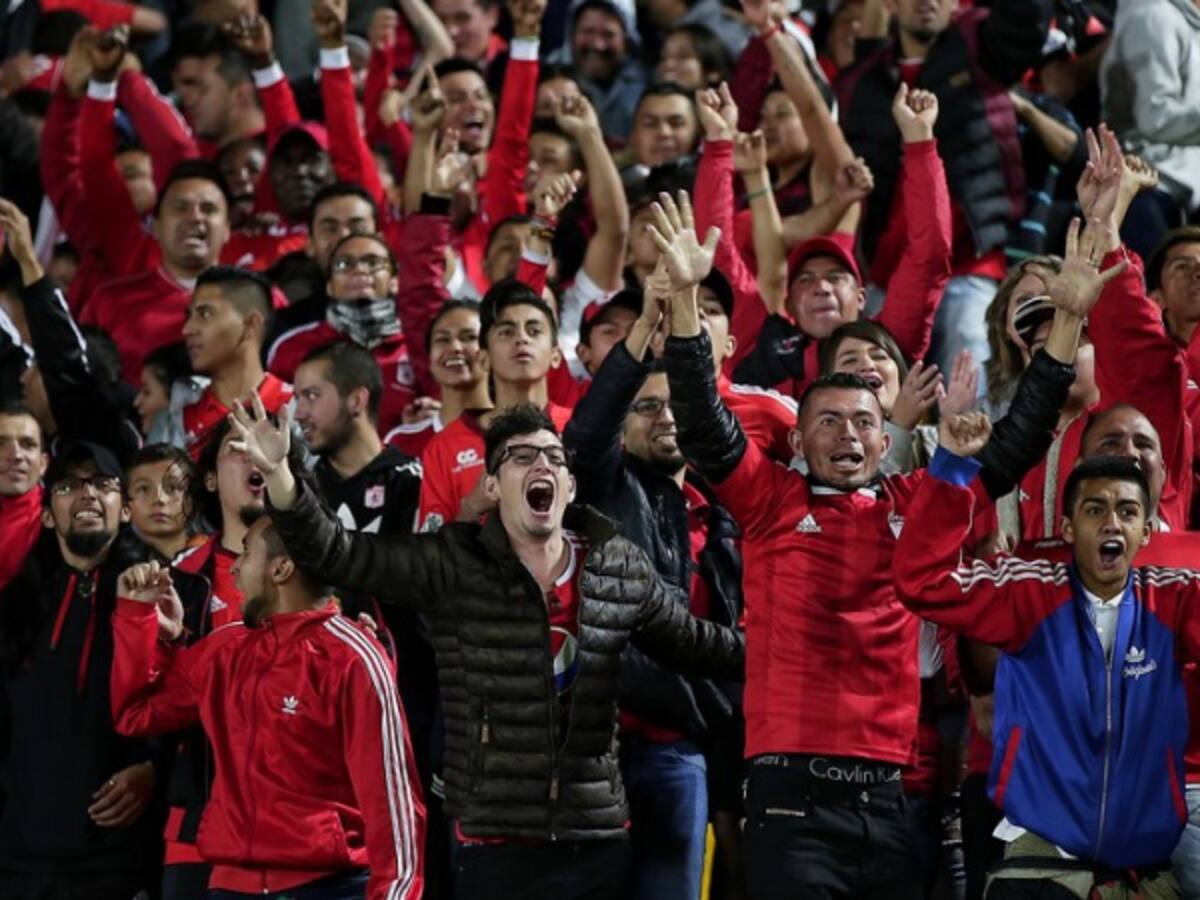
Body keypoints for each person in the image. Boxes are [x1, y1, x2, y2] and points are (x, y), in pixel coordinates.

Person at [655, 189, 1113, 899]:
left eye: (864, 422)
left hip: (892, 801)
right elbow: (705, 422)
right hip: (790, 798)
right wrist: (685, 303)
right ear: (799, 438)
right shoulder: (770, 501)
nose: (848, 434)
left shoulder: (919, 499)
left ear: (887, 433)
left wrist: (1069, 324)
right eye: (828, 422)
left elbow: (1017, 440)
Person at [230, 395, 744, 900]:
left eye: (554, 458)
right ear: (494, 486)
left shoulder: (616, 565)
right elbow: (336, 552)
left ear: (569, 485)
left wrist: (797, 649)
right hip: (493, 844)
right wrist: (281, 476)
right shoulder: (453, 563)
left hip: (597, 840)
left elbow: (696, 645)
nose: (541, 463)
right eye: (521, 457)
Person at [893, 449, 1193, 899]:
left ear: (1145, 531)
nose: (1112, 522)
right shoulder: (1028, 591)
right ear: (1069, 527)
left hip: (1144, 877)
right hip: (1039, 868)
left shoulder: (1176, 601)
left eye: (1127, 511)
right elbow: (922, 580)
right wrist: (953, 468)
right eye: (1095, 509)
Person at [110, 518, 425, 900]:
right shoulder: (224, 650)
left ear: (281, 568)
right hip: (230, 887)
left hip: (329, 887)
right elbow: (136, 713)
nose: (237, 567)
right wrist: (139, 619)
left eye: (246, 552)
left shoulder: (353, 658)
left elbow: (393, 808)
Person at [563, 280, 744, 900]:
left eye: (674, 405)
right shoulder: (604, 486)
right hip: (598, 753)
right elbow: (585, 435)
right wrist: (642, 331)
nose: (665, 415)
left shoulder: (722, 517)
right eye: (646, 406)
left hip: (681, 754)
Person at [0, 441, 195, 900]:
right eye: (68, 485)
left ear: (124, 510)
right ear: (48, 515)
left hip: (121, 860)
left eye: (102, 484)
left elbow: (192, 700)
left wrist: (154, 766)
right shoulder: (13, 608)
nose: (86, 494)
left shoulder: (164, 595)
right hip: (19, 860)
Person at [833, 0, 1052, 382]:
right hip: (887, 273)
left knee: (973, 367)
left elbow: (1025, 19)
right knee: (865, 382)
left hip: (970, 262)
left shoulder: (981, 48)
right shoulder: (864, 79)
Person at [418, 280, 573, 530]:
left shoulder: (579, 427)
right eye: (506, 332)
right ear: (484, 358)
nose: (521, 339)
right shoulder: (444, 447)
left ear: (556, 355)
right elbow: (431, 551)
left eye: (534, 331)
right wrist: (472, 507)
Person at [80, 159, 232, 386]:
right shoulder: (108, 301)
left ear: (228, 229)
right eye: (181, 208)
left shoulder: (260, 299)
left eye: (208, 209)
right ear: (156, 227)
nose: (195, 217)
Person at [156, 266, 292, 460]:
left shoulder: (296, 411)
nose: (187, 329)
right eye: (189, 316)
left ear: (251, 325)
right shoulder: (175, 418)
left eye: (205, 314)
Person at [1101, 0, 1200, 261]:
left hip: (1184, 196)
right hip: (1148, 190)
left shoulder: (1189, 24)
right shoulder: (1153, 16)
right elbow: (1154, 117)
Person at [295, 340, 422, 536]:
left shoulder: (411, 483)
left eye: (312, 396)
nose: (298, 414)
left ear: (356, 401)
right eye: (298, 399)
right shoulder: (301, 487)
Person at [384, 299, 492, 459]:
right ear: (430, 361)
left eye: (469, 337)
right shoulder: (400, 443)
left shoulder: (518, 434)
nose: (455, 347)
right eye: (443, 340)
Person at [549, 0, 647, 140]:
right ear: (571, 34)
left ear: (626, 38)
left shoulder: (648, 80)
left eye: (608, 34)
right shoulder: (546, 75)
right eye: (588, 32)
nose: (597, 45)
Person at [124, 443, 201, 561]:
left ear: (191, 499)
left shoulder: (216, 556)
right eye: (144, 489)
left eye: (173, 487)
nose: (159, 499)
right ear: (126, 504)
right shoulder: (110, 569)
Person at [627, 83, 700, 170]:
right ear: (632, 135)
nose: (664, 133)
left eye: (676, 124)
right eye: (650, 124)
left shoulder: (715, 180)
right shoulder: (612, 179)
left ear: (697, 132)